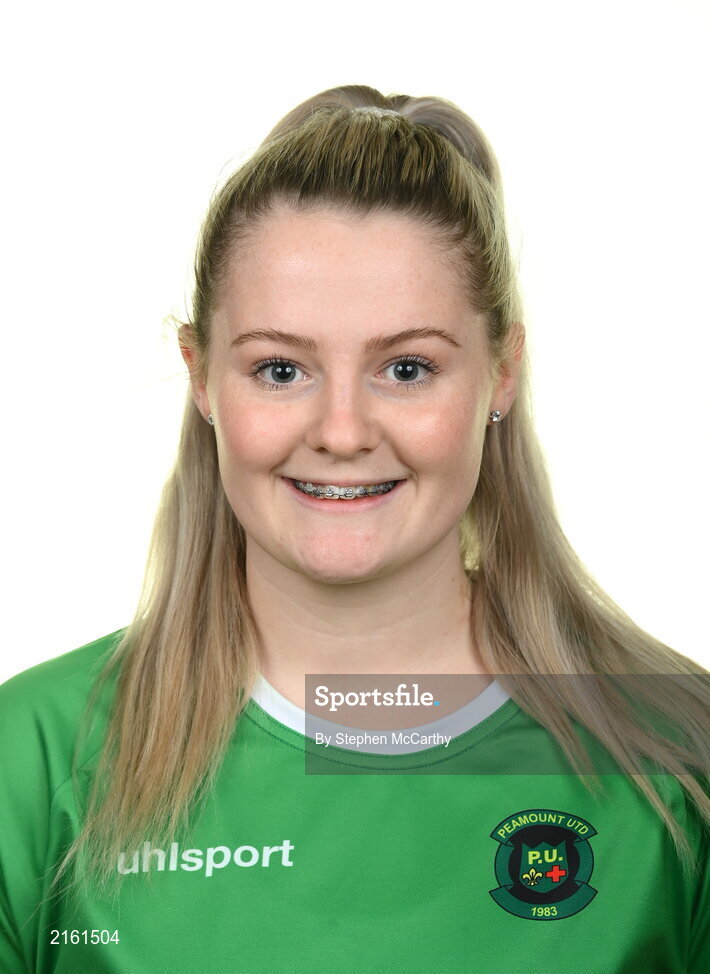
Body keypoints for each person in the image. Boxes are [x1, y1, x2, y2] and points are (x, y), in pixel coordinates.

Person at [0, 84, 707, 973]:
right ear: (202, 377)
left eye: (406, 368)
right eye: (281, 368)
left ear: (500, 373)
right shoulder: (28, 763)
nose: (340, 431)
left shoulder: (681, 764)